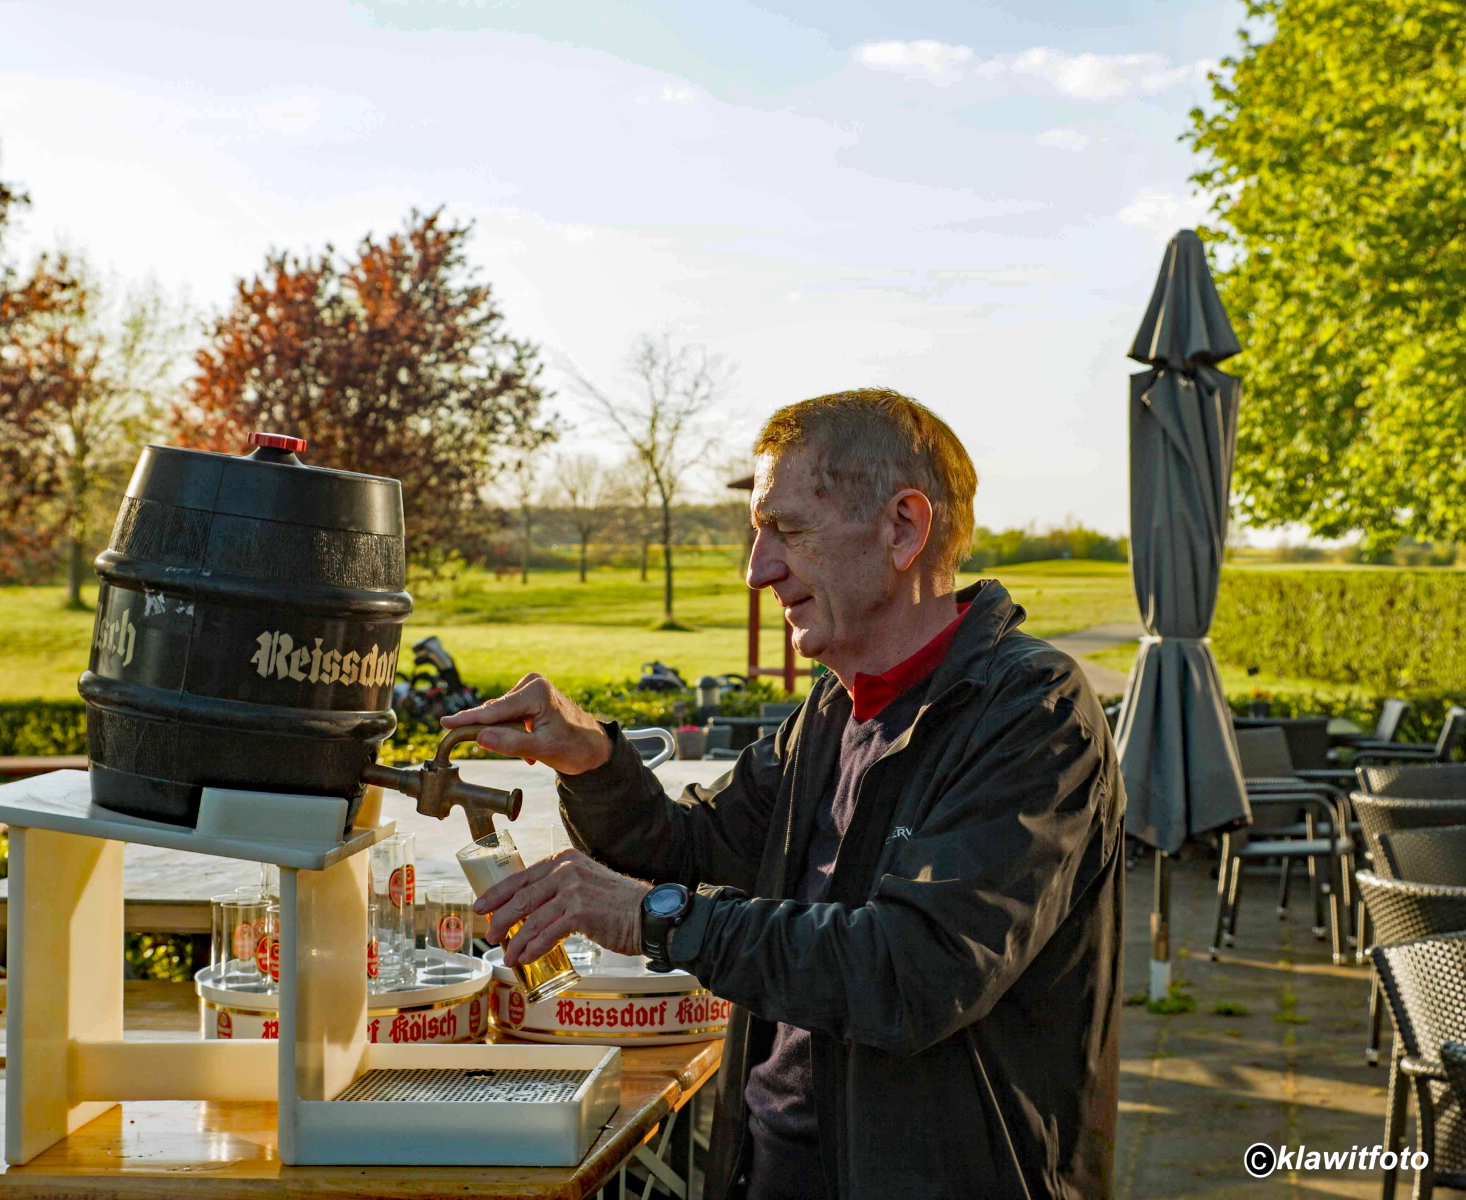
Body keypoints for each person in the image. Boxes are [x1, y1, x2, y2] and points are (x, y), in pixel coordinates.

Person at [446, 388, 1124, 1200]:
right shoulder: (834, 710)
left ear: (903, 528)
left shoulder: (1032, 712)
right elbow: (692, 850)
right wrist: (592, 758)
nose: (757, 570)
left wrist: (660, 917)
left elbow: (915, 972)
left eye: (789, 530)